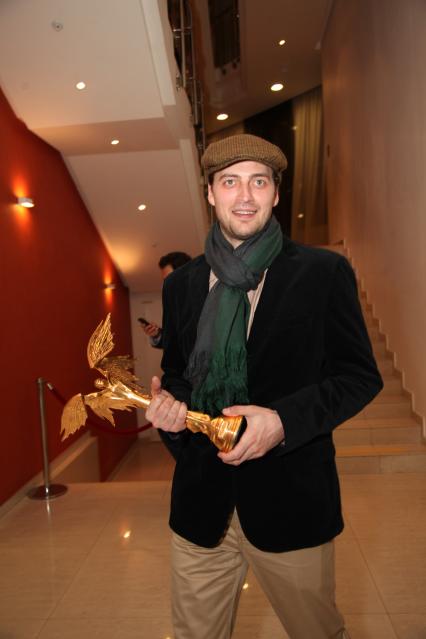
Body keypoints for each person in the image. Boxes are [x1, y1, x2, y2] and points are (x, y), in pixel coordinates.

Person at [145, 134, 383, 639]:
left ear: (276, 193)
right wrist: (171, 409)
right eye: (230, 182)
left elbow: (359, 376)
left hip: (291, 502)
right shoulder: (181, 284)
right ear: (211, 193)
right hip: (200, 504)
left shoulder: (323, 272)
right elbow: (180, 375)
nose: (245, 196)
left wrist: (281, 421)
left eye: (259, 182)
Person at [141, 252, 191, 348]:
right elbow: (175, 341)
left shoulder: (206, 299)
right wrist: (156, 335)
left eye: (169, 279)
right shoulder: (173, 303)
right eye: (165, 281)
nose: (166, 285)